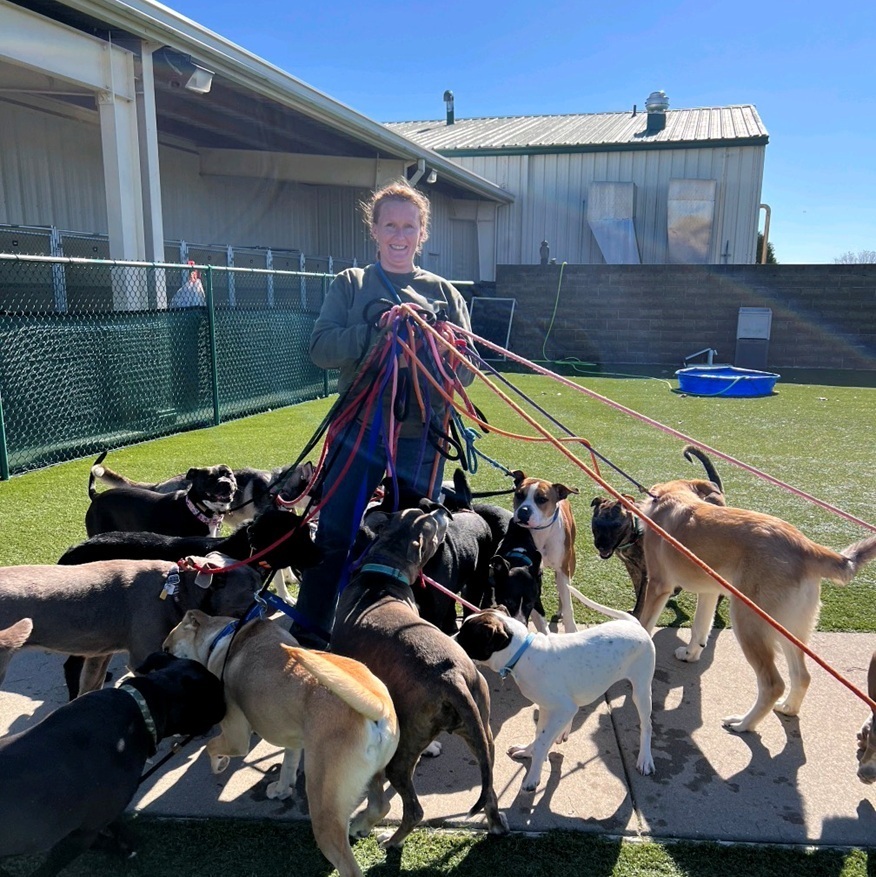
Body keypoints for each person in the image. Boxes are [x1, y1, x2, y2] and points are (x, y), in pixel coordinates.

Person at [292, 181, 474, 647]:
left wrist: (440, 343)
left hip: (422, 435)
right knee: (336, 531)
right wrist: (376, 329)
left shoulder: (445, 293)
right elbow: (319, 349)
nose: (399, 235)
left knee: (414, 539)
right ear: (374, 230)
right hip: (357, 430)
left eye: (409, 226)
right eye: (389, 225)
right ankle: (311, 630)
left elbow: (468, 372)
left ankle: (405, 637)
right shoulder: (351, 284)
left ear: (423, 232)